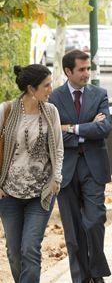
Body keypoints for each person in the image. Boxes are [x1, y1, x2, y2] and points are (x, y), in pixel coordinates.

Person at [49, 49, 112, 283]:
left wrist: (72, 128)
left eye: (88, 69)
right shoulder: (54, 98)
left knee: (95, 221)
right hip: (66, 171)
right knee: (73, 231)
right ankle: (81, 278)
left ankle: (96, 272)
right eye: (82, 70)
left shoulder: (99, 94)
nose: (87, 73)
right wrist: (87, 128)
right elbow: (54, 135)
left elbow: (104, 129)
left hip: (94, 168)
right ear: (68, 71)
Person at [0, 64, 63, 282]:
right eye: (46, 85)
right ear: (30, 88)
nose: (50, 89)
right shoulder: (6, 110)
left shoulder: (51, 111)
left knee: (30, 248)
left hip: (42, 193)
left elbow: (57, 149)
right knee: (14, 253)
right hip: (9, 194)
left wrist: (56, 178)